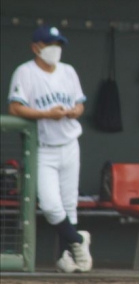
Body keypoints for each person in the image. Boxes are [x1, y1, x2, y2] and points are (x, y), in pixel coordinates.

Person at [7, 25, 92, 273]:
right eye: (50, 44)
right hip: (43, 148)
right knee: (50, 205)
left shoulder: (68, 71)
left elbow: (80, 103)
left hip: (70, 143)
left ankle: (66, 257)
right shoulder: (25, 72)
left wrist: (75, 111)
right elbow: (15, 108)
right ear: (36, 47)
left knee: (69, 204)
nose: (55, 49)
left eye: (58, 44)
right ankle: (79, 240)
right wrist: (47, 114)